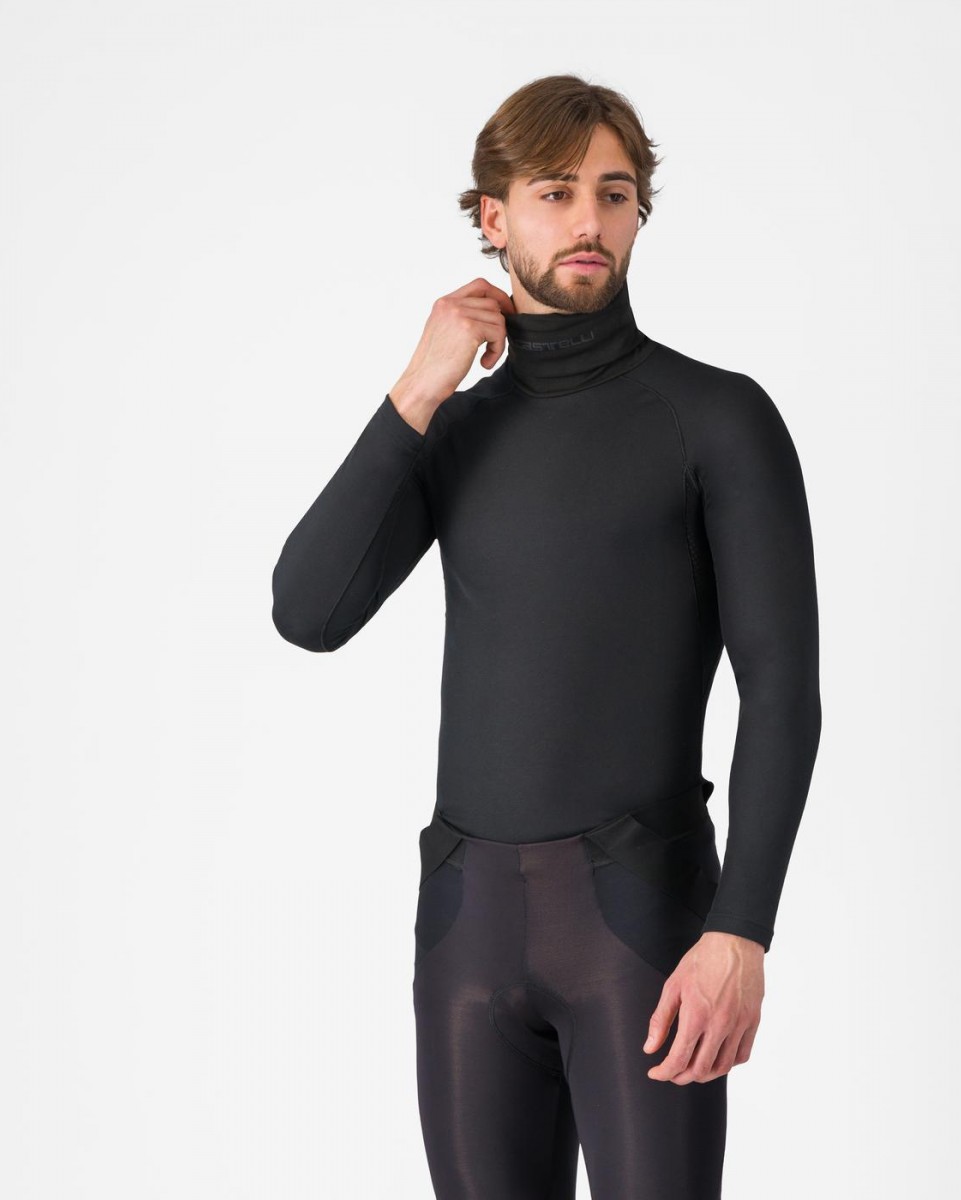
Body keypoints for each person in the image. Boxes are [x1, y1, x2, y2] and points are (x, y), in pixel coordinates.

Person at [271, 73, 822, 1200]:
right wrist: (416, 390)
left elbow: (781, 690)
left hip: (640, 927)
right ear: (493, 216)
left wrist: (742, 931)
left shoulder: (715, 417)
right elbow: (308, 611)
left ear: (639, 215)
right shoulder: (452, 428)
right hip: (465, 928)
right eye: (555, 192)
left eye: (614, 195)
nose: (588, 221)